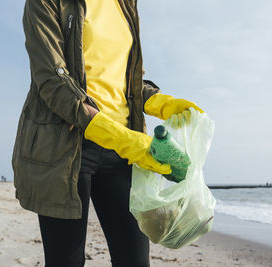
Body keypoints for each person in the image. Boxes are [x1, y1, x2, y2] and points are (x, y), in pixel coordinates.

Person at [11, 0, 203, 266]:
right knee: (65, 261)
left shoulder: (125, 4)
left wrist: (159, 102)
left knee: (134, 260)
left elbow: (127, 81)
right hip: (67, 150)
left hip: (123, 151)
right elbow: (52, 81)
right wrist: (123, 139)